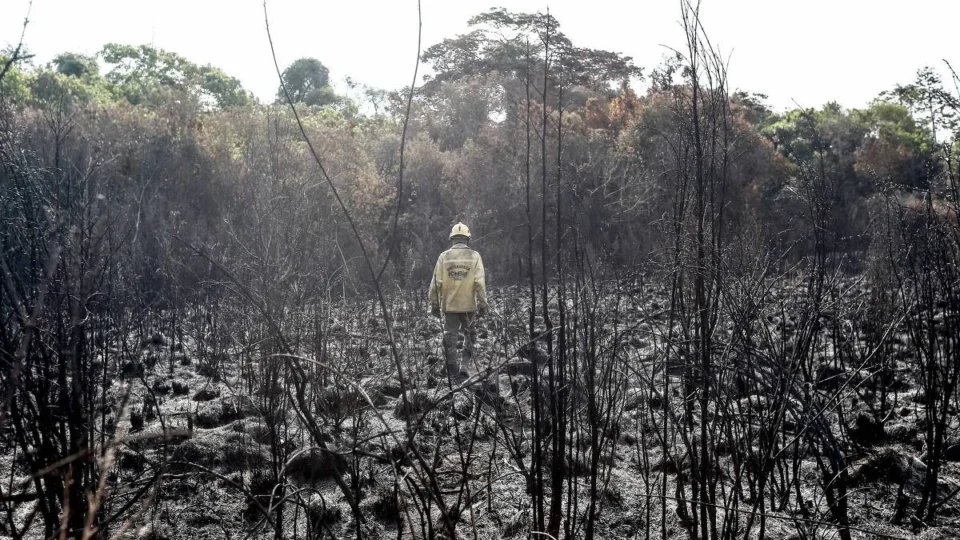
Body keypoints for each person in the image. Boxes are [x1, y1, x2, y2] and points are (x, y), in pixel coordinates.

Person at [428, 222, 488, 384]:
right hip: (469, 306)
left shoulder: (444, 257)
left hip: (449, 305)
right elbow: (479, 283)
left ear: (452, 239)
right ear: (467, 239)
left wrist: (434, 304)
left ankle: (453, 370)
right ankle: (465, 367)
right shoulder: (475, 256)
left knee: (450, 337)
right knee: (471, 335)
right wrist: (483, 303)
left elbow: (436, 283)